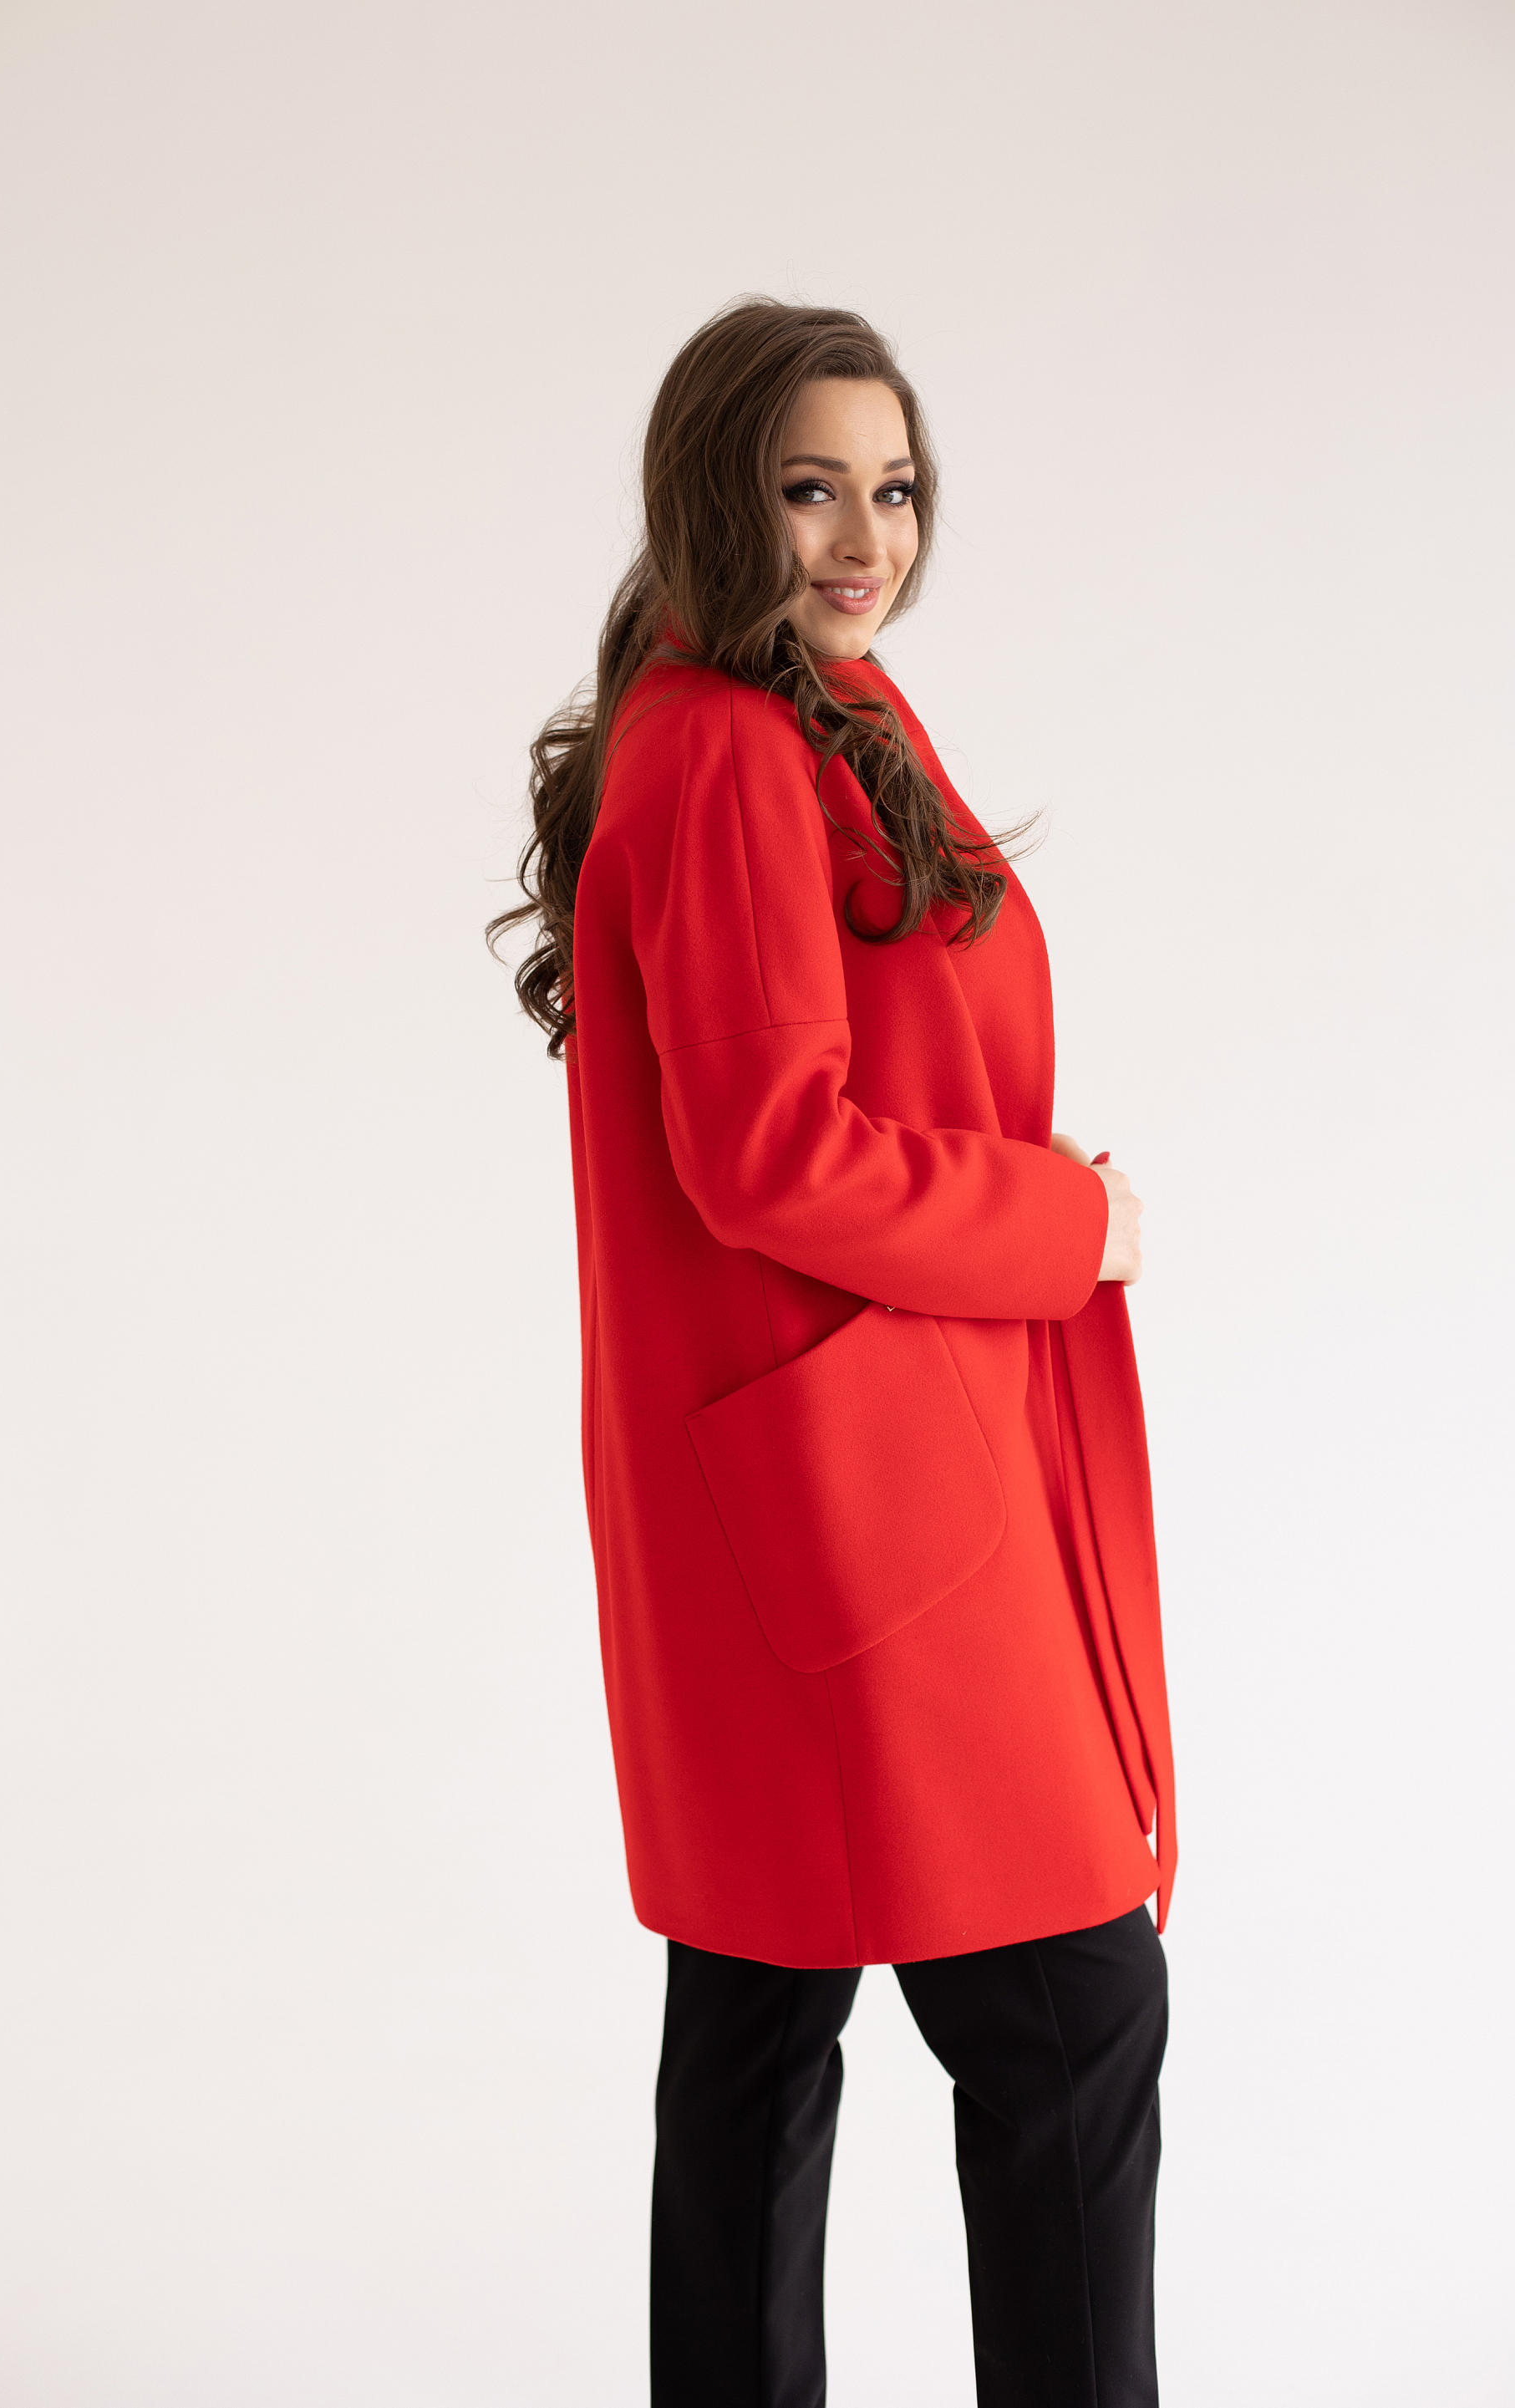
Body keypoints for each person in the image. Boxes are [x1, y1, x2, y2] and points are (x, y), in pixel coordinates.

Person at [491, 297, 1177, 2408]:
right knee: (1068, 2015)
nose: (865, 538)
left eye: (893, 487)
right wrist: (1060, 1222)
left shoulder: (798, 705)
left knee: (760, 2023)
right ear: (718, 497)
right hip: (858, 1497)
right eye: (811, 490)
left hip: (816, 1468)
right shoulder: (722, 739)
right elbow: (771, 1153)